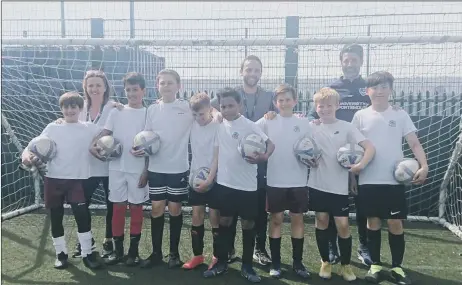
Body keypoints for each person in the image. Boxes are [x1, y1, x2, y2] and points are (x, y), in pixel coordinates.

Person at [352, 71, 428, 285]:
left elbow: (414, 143)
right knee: (373, 222)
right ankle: (375, 265)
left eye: (384, 87)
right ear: (367, 91)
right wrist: (352, 177)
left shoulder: (400, 114)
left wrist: (424, 165)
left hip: (394, 180)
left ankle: (396, 267)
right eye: (375, 87)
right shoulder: (360, 116)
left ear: (390, 90)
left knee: (395, 223)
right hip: (368, 179)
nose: (379, 91)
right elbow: (355, 148)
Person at [307, 44, 372, 266]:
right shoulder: (332, 88)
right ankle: (331, 248)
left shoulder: (369, 87)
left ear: (361, 61)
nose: (350, 63)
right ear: (341, 61)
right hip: (334, 156)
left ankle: (364, 246)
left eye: (354, 59)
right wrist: (314, 121)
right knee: (331, 207)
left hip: (361, 153)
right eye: (346, 60)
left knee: (363, 202)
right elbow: (313, 116)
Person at [21, 92, 102, 270]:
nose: (70, 110)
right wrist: (26, 158)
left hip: (77, 181)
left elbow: (107, 133)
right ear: (61, 109)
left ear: (81, 109)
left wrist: (118, 107)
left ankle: (87, 254)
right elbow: (31, 147)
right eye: (66, 107)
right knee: (56, 218)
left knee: (82, 218)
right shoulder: (52, 127)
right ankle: (61, 255)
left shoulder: (90, 128)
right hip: (54, 179)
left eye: (74, 106)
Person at [203, 87, 275, 283]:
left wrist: (264, 156)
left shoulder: (249, 125)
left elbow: (271, 145)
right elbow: (217, 154)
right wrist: (211, 177)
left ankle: (247, 266)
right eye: (223, 106)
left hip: (248, 187)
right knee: (224, 223)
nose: (226, 109)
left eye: (231, 105)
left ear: (240, 105)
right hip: (225, 184)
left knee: (248, 224)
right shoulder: (218, 125)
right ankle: (221, 263)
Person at [89, 72, 149, 266]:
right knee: (117, 208)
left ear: (143, 91)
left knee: (137, 208)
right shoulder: (117, 112)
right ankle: (118, 251)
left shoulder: (148, 113)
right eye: (128, 90)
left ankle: (134, 252)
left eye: (135, 90)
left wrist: (146, 171)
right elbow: (105, 133)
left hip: (137, 169)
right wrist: (93, 144)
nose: (132, 93)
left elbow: (150, 145)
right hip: (116, 168)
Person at [255, 83, 311, 279]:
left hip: (298, 180)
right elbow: (249, 132)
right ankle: (276, 263)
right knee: (276, 220)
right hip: (275, 180)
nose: (285, 103)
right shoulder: (267, 121)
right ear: (275, 103)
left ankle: (298, 262)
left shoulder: (305, 123)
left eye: (288, 99)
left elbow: (313, 144)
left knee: (297, 219)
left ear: (295, 101)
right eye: (281, 100)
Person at [139, 69, 194, 269]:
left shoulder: (187, 108)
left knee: (175, 209)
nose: (166, 86)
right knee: (156, 209)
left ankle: (174, 254)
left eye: (170, 83)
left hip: (178, 168)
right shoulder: (152, 110)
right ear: (157, 86)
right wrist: (145, 168)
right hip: (156, 168)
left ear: (179, 86)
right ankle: (156, 253)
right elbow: (146, 140)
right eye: (163, 83)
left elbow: (206, 113)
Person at [72, 70, 120, 259]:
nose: (94, 88)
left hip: (109, 166)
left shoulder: (115, 108)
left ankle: (109, 240)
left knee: (111, 205)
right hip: (86, 166)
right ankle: (85, 240)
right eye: (90, 85)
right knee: (81, 204)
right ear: (85, 87)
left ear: (105, 87)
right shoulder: (78, 107)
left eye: (98, 85)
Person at [182, 92, 220, 270]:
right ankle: (197, 255)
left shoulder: (218, 125)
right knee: (196, 215)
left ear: (211, 110)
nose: (198, 118)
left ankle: (217, 256)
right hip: (195, 179)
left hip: (214, 179)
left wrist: (210, 179)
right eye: (195, 115)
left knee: (214, 216)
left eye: (202, 114)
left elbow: (216, 157)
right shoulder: (191, 123)